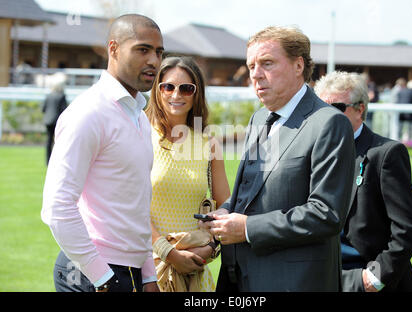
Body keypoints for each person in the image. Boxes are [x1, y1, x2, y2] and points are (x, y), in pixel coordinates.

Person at [205, 26, 355, 292]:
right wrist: (226, 211)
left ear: (299, 65)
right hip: (238, 276)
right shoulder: (259, 118)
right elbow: (248, 192)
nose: (255, 75)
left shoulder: (329, 123)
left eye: (267, 63)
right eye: (251, 66)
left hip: (293, 282)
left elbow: (326, 213)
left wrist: (249, 228)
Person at [41, 14, 164, 292]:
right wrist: (102, 279)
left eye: (158, 52)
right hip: (93, 274)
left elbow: (136, 205)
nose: (154, 61)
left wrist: (148, 275)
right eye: (142, 49)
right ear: (114, 49)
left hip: (130, 272)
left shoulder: (139, 116)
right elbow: (57, 208)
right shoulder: (88, 113)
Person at [315, 71, 412, 292]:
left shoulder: (385, 154)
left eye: (336, 108)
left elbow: (408, 226)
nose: (327, 116)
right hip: (320, 276)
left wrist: (375, 277)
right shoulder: (313, 153)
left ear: (360, 109)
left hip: (363, 278)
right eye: (321, 108)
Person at [145, 56, 230, 291]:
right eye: (168, 86)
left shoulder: (208, 143)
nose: (176, 95)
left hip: (194, 272)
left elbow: (225, 206)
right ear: (157, 90)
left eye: (186, 88)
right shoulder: (139, 133)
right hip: (147, 271)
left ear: (196, 93)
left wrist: (210, 248)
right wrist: (168, 252)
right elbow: (128, 205)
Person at [42, 72, 68, 164]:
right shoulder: (62, 96)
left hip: (47, 120)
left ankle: (47, 161)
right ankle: (56, 160)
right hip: (57, 121)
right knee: (58, 141)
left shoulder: (48, 95)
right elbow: (65, 110)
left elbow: (43, 109)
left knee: (49, 141)